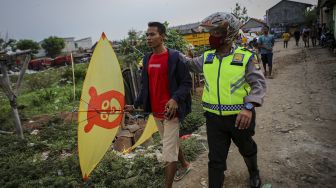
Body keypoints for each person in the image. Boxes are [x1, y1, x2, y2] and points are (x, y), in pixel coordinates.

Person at [182, 12, 266, 188]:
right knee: (216, 159)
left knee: (247, 148)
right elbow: (188, 63)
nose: (212, 37)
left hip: (240, 118)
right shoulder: (207, 57)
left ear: (229, 34)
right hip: (214, 119)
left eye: (217, 33)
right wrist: (170, 53)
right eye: (211, 33)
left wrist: (248, 107)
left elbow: (258, 85)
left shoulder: (246, 57)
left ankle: (254, 172)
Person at [125, 22, 192, 188]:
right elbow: (145, 86)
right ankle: (185, 164)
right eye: (147, 35)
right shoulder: (147, 58)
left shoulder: (175, 57)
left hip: (171, 113)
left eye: (152, 34)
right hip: (156, 112)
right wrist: (135, 105)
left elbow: (186, 82)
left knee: (168, 151)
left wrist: (175, 99)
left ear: (162, 36)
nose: (148, 38)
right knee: (171, 141)